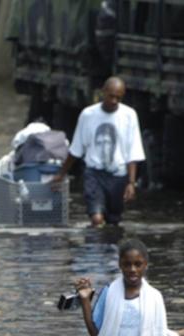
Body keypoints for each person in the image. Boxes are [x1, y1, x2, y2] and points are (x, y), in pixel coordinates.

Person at [52, 77, 146, 227]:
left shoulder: (129, 115)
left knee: (113, 222)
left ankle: (107, 248)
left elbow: (133, 151)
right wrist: (61, 174)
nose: (114, 101)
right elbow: (76, 149)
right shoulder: (88, 115)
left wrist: (131, 183)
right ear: (103, 93)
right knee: (97, 219)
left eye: (118, 97)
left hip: (118, 177)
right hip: (94, 175)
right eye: (111, 96)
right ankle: (94, 249)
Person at [75, 239, 184, 336]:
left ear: (145, 265)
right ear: (120, 264)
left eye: (138, 264)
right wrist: (85, 300)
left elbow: (159, 333)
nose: (132, 269)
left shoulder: (155, 297)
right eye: (127, 264)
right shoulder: (109, 292)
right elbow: (94, 332)